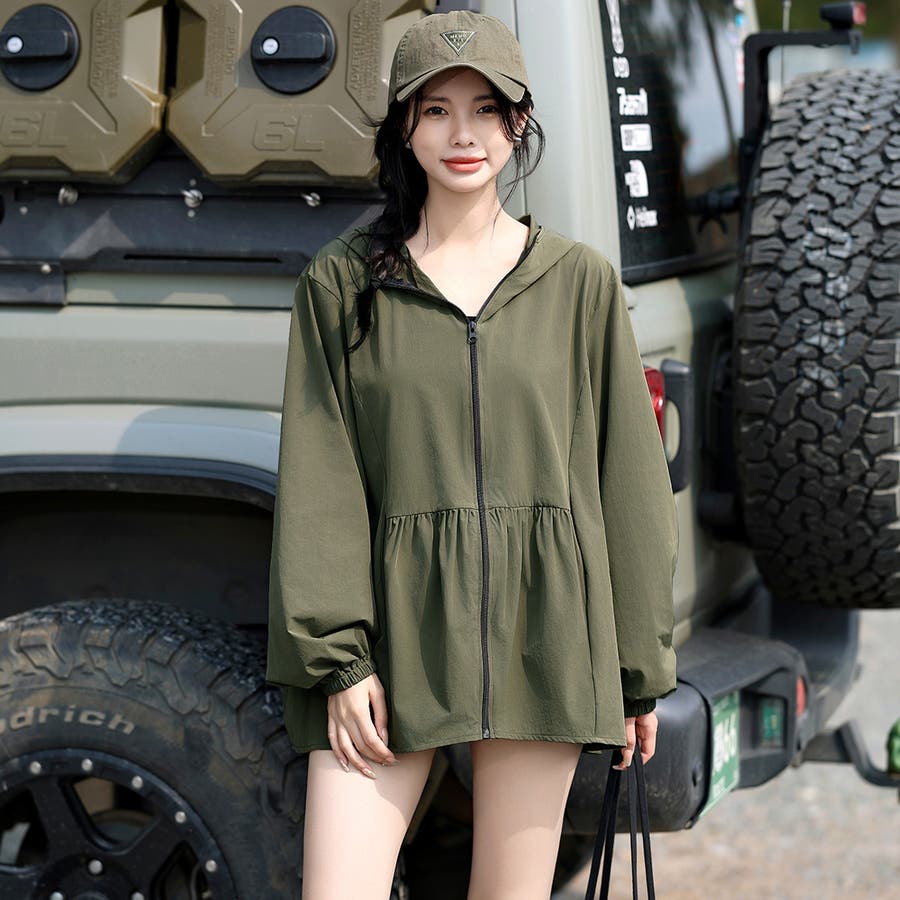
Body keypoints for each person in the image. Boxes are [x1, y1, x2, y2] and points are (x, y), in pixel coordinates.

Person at [265, 9, 678, 899]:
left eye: (487, 109)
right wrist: (340, 661)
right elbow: (321, 480)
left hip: (544, 633)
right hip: (392, 636)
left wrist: (637, 674)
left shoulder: (579, 283)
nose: (464, 135)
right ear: (404, 128)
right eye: (437, 110)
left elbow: (629, 485)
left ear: (518, 123)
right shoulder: (342, 284)